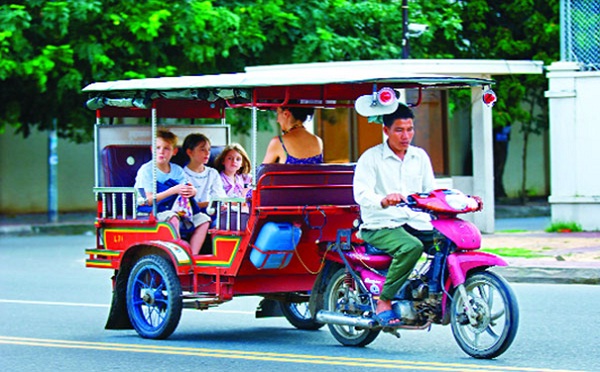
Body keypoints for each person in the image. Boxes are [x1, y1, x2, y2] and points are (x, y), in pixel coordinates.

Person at [353, 103, 435, 327]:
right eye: (399, 130)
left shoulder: (420, 157)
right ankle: (385, 300)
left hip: (416, 221)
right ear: (386, 130)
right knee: (411, 247)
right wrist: (383, 200)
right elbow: (361, 193)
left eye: (410, 129)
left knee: (448, 241)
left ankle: (434, 292)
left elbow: (430, 192)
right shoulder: (371, 158)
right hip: (380, 224)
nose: (405, 135)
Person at [134, 129, 211, 256]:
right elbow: (146, 200)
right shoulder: (146, 171)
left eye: (166, 149)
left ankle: (193, 255)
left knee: (204, 220)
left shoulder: (177, 170)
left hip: (176, 208)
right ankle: (179, 255)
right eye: (158, 148)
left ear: (174, 151)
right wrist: (172, 191)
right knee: (173, 217)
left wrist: (192, 190)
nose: (161, 152)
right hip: (151, 210)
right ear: (152, 149)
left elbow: (186, 188)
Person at [182, 133, 227, 213]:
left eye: (209, 149)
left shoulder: (212, 173)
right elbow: (185, 204)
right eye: (202, 149)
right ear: (190, 152)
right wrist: (207, 204)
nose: (207, 153)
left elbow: (220, 198)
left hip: (213, 212)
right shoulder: (182, 174)